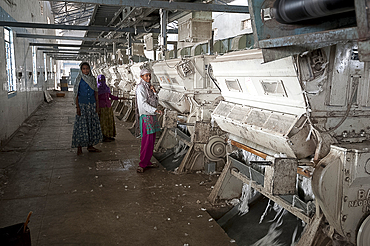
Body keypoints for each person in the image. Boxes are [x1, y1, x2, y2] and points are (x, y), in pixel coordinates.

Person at [71, 62, 103, 155]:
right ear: (81, 70)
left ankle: (90, 146)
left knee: (91, 125)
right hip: (82, 105)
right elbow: (76, 94)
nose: (86, 70)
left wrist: (97, 105)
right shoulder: (78, 79)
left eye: (87, 68)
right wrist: (77, 107)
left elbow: (96, 92)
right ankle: (79, 147)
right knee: (81, 126)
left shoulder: (92, 79)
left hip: (91, 105)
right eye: (84, 69)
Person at [136, 68, 162, 173]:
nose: (148, 77)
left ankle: (148, 161)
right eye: (146, 76)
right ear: (141, 77)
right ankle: (142, 164)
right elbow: (143, 104)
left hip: (152, 116)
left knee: (151, 141)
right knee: (146, 141)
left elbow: (154, 100)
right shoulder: (141, 88)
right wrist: (155, 110)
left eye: (149, 75)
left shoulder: (148, 87)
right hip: (146, 116)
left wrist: (154, 92)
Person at [97, 74, 125, 142]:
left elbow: (111, 97)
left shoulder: (107, 88)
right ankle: (103, 136)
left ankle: (109, 135)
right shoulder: (97, 89)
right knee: (103, 122)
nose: (102, 81)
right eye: (100, 80)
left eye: (103, 80)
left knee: (109, 121)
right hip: (102, 107)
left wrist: (120, 98)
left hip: (108, 107)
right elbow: (96, 99)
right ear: (98, 80)